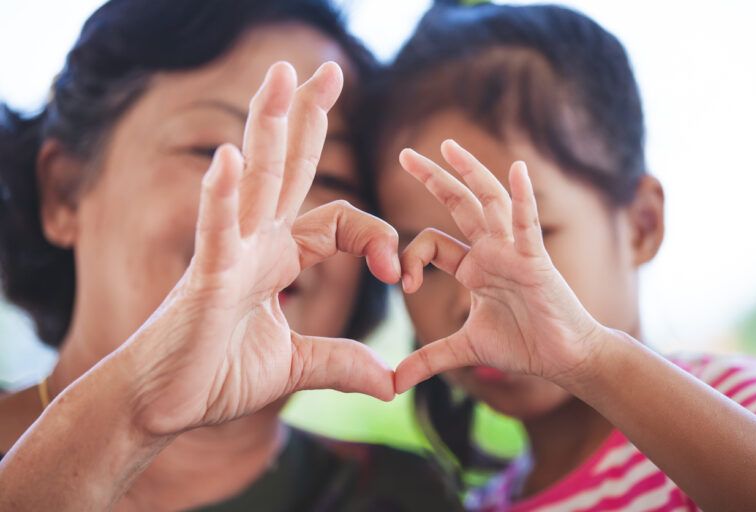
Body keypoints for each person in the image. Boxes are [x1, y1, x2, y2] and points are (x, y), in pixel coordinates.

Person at [0, 1, 462, 510]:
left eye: (330, 179)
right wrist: (128, 416)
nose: (279, 214)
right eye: (218, 151)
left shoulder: (405, 497)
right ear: (64, 192)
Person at [371, 4, 756, 511]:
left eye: (525, 238)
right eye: (428, 261)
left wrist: (594, 359)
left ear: (642, 225)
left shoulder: (738, 412)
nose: (476, 297)